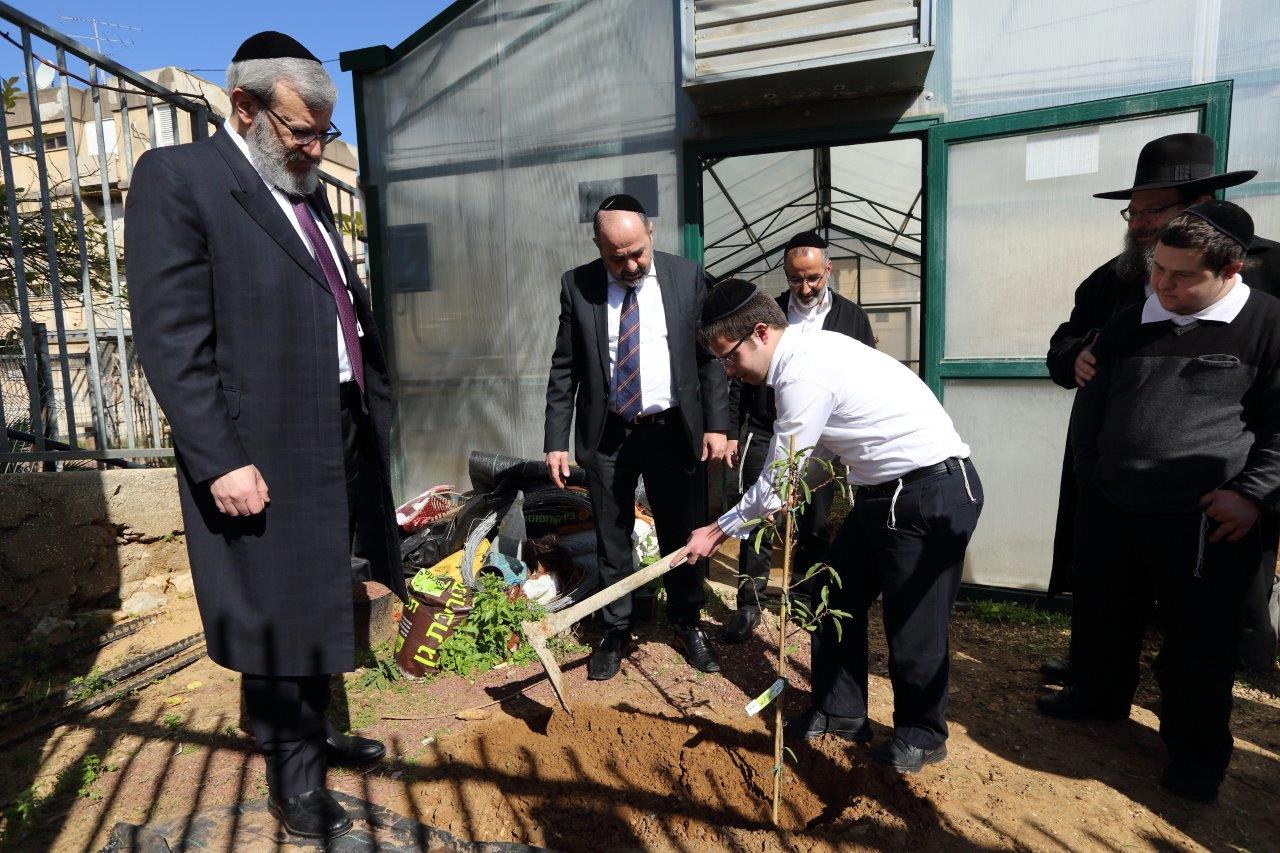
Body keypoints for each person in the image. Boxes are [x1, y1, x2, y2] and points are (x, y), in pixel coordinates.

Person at [126, 32, 400, 840]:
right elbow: (173, 339)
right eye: (299, 131)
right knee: (279, 606)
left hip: (334, 427)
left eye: (324, 133)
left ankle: (307, 730)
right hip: (260, 441)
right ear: (241, 107)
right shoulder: (181, 181)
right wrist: (220, 457)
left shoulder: (303, 190)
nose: (315, 148)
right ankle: (296, 779)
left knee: (319, 591)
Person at [685, 280, 982, 773]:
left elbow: (782, 476)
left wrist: (717, 530)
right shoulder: (803, 357)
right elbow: (818, 455)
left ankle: (922, 734)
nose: (730, 372)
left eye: (729, 357)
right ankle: (841, 711)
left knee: (913, 621)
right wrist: (790, 488)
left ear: (760, 332)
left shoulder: (804, 371)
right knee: (831, 596)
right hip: (882, 493)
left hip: (928, 492)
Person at [1057, 201, 1280, 801]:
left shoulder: (1267, 325)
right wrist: (1092, 474)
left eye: (1181, 277)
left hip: (1205, 519)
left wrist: (1251, 495)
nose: (1162, 284)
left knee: (1197, 647)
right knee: (1103, 617)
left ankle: (1195, 759)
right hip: (1114, 504)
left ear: (1231, 270)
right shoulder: (1136, 317)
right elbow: (1093, 398)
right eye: (1158, 269)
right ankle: (1098, 700)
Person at [1043, 133, 1280, 685]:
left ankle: (1212, 685)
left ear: (1196, 207)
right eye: (1135, 211)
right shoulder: (1116, 279)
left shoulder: (1268, 278)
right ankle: (1098, 678)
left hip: (1220, 483)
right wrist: (1075, 355)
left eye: (1154, 211)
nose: (1139, 223)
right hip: (1118, 474)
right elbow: (1066, 343)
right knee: (1108, 588)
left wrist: (1257, 489)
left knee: (1212, 611)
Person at [543, 194, 730, 680]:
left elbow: (710, 358)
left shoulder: (686, 277)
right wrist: (556, 440)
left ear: (651, 234)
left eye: (636, 252)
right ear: (597, 247)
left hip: (672, 430)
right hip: (609, 435)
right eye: (616, 256)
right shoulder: (577, 285)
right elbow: (564, 368)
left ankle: (687, 621)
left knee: (681, 531)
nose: (629, 264)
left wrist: (717, 425)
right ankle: (616, 628)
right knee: (612, 532)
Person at [722, 232, 876, 643]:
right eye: (795, 280)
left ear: (828, 270)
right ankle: (750, 603)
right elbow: (738, 377)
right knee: (756, 515)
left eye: (812, 278)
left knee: (814, 523)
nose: (804, 288)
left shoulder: (852, 317)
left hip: (822, 437)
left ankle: (804, 600)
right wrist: (731, 431)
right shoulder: (768, 313)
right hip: (764, 425)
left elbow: (862, 373)